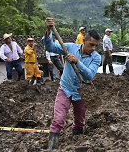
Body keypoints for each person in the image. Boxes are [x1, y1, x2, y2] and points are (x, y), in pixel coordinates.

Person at [43, 18, 101, 150]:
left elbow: (89, 75)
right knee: (58, 120)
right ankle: (52, 148)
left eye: (96, 46)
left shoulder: (96, 57)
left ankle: (77, 143)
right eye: (91, 44)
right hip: (65, 88)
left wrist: (77, 62)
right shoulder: (69, 48)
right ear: (84, 40)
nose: (93, 48)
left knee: (80, 122)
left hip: (81, 91)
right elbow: (49, 47)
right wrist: (48, 31)